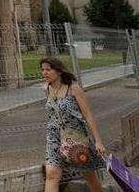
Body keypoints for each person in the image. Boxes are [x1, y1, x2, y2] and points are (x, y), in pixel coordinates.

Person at [41, 57, 106, 192]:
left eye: (48, 69)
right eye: (42, 70)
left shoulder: (73, 88)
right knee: (52, 174)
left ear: (58, 71)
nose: (44, 73)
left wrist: (98, 141)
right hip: (54, 137)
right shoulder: (46, 89)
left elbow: (87, 115)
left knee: (89, 175)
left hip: (76, 136)